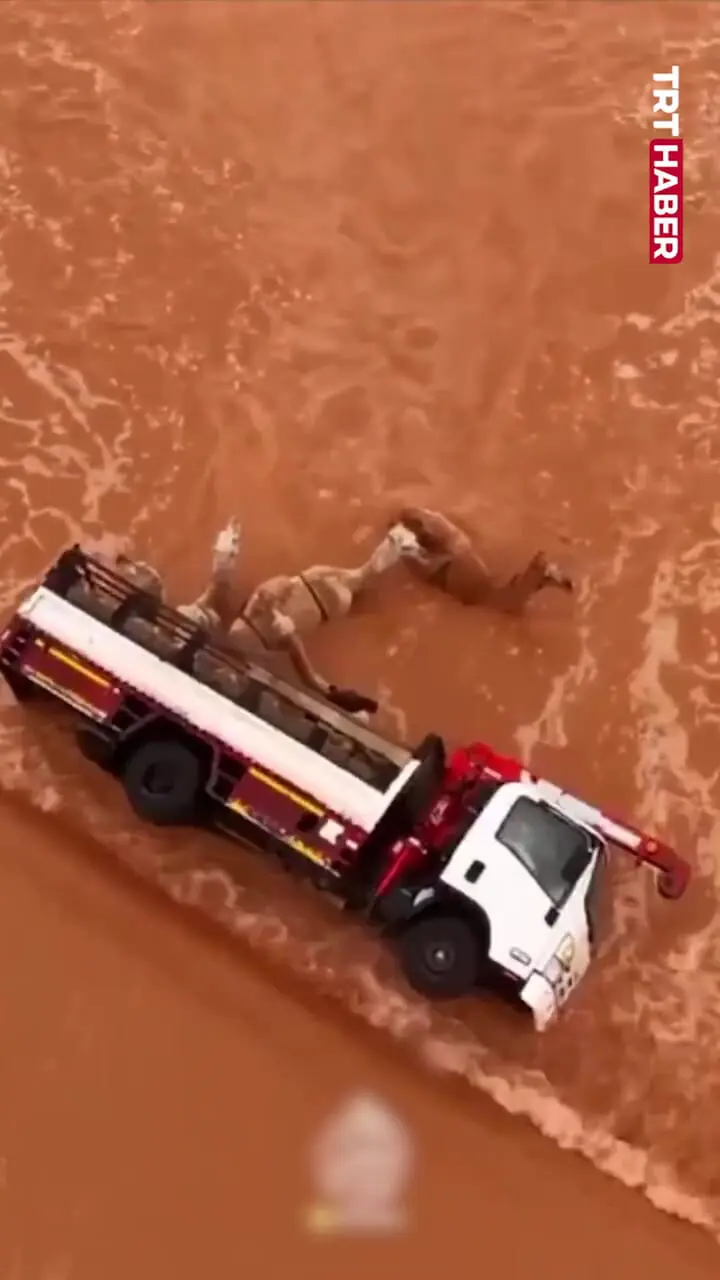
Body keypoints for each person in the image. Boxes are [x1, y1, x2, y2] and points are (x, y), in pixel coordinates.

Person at [392, 506, 573, 614]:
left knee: (493, 602)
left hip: (450, 571)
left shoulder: (407, 550)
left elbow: (424, 574)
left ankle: (536, 574)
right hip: (460, 555)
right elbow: (447, 530)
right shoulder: (435, 528)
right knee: (497, 599)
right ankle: (538, 579)